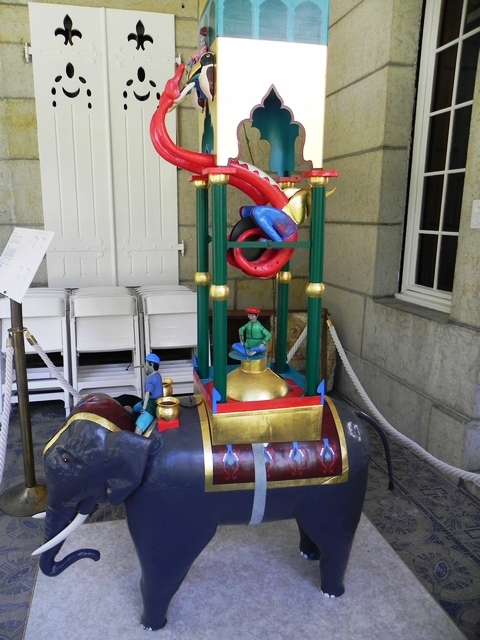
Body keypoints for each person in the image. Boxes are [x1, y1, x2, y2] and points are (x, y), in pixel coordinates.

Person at [133, 353, 163, 435]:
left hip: (153, 404)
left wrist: (144, 408)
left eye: (146, 363)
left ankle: (137, 438)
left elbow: (147, 395)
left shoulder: (151, 380)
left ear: (152, 364)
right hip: (150, 400)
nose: (145, 366)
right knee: (135, 408)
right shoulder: (157, 374)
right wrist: (145, 366)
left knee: (139, 426)